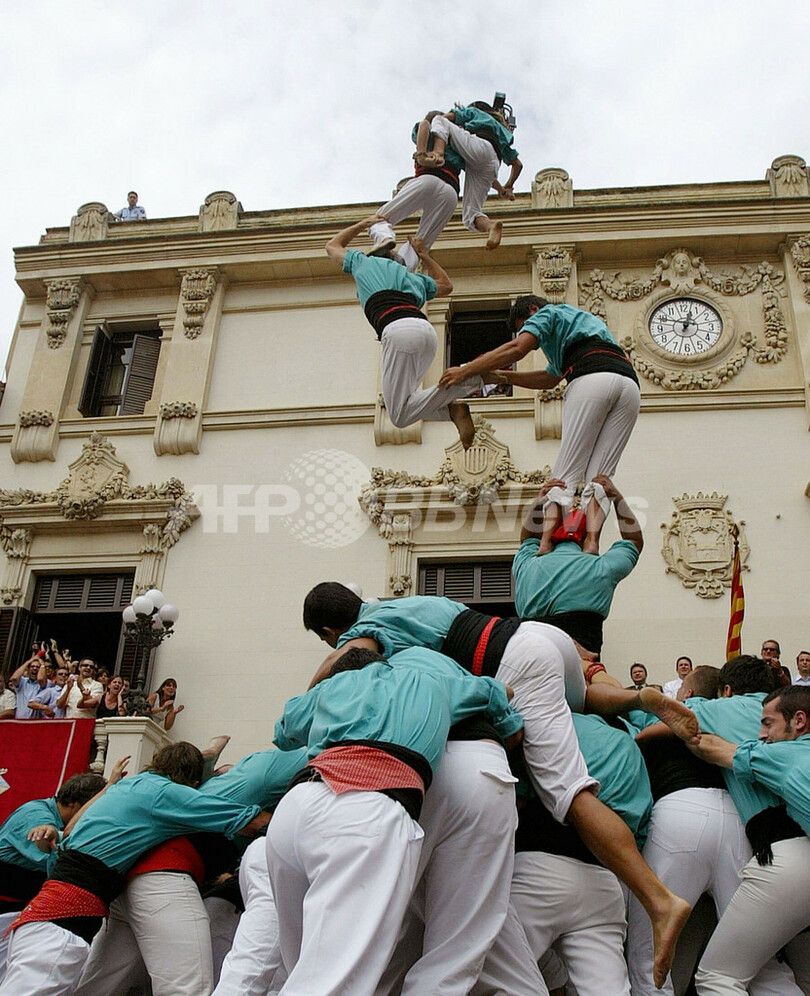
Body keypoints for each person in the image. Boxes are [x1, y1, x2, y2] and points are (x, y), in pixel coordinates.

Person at [303, 579, 693, 988]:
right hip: (534, 635)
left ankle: (659, 900)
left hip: (514, 663)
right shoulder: (406, 603)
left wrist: (317, 694)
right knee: (572, 703)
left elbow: (345, 661)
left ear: (329, 632)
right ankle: (635, 699)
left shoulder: (365, 627)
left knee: (568, 792)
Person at [270, 645, 522, 996]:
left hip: (295, 808)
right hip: (368, 806)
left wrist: (323, 682)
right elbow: (500, 693)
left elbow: (283, 731)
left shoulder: (329, 690)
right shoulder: (427, 681)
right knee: (334, 978)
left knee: (303, 964)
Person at [0, 742, 268, 996]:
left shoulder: (124, 789)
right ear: (191, 783)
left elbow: (68, 831)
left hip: (48, 918)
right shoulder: (163, 792)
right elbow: (244, 819)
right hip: (60, 925)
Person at [626, 659, 800, 996]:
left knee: (651, 954)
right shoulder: (780, 713)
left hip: (679, 815)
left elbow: (648, 732)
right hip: (743, 826)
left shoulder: (706, 708)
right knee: (756, 961)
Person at [439, 296, 640, 553]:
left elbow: (517, 349)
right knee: (600, 477)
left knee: (563, 477)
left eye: (526, 326)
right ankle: (591, 542)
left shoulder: (548, 314)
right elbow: (549, 379)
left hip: (591, 379)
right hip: (629, 387)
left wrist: (466, 370)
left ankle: (545, 544)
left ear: (533, 311)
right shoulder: (582, 326)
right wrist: (503, 377)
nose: (531, 334)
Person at [502, 713, 652, 996]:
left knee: (491, 976)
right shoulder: (629, 750)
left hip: (537, 869)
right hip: (604, 885)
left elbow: (513, 803)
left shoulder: (552, 724)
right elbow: (639, 832)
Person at [689, 685, 810, 995]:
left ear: (799, 720)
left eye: (768, 723)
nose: (761, 734)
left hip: (792, 866)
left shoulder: (786, 754)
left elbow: (713, 748)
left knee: (717, 978)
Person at [326, 216, 482, 447]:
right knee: (409, 404)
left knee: (398, 415)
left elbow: (332, 246)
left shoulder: (363, 263)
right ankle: (453, 409)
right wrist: (424, 255)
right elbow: (446, 285)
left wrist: (363, 224)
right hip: (426, 333)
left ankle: (472, 379)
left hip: (399, 333)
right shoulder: (412, 278)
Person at [366, 110, 465, 270]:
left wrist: (421, 153)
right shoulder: (457, 144)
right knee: (422, 242)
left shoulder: (432, 132)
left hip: (428, 179)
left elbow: (424, 125)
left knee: (379, 219)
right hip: (451, 193)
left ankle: (384, 238)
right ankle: (403, 267)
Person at [428, 101, 522, 250]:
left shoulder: (474, 112)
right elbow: (518, 165)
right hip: (492, 162)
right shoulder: (502, 131)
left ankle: (437, 153)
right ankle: (491, 227)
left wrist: (438, 128)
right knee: (470, 215)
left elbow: (447, 118)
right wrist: (505, 188)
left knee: (438, 120)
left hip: (479, 145)